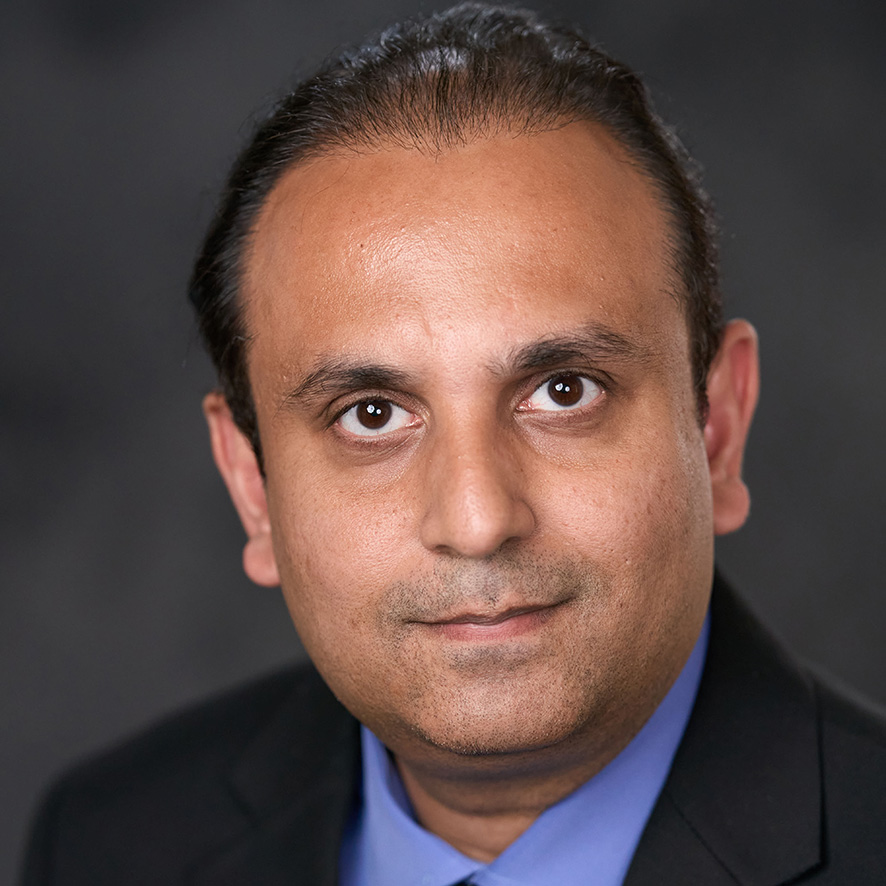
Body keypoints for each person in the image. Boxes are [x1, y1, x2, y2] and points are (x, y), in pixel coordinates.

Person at [22, 4, 886, 884]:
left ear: (718, 428)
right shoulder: (109, 842)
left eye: (564, 391)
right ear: (253, 486)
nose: (477, 519)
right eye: (370, 414)